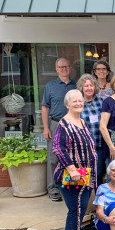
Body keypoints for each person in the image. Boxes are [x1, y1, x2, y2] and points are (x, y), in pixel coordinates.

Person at [52, 89, 97, 230]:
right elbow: (58, 147)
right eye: (74, 101)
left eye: (80, 100)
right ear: (67, 105)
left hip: (84, 174)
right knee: (75, 211)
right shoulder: (64, 124)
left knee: (79, 210)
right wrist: (72, 169)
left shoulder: (82, 121)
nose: (78, 103)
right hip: (72, 176)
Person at [41, 57, 76, 202]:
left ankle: (69, 185)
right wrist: (46, 127)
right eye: (61, 67)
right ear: (56, 69)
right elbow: (45, 107)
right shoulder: (50, 86)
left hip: (73, 124)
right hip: (55, 124)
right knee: (54, 157)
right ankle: (53, 187)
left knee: (72, 156)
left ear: (71, 69)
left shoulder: (76, 85)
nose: (64, 69)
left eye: (67, 66)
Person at [77, 74, 106, 187]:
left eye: (91, 85)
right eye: (86, 86)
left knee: (98, 173)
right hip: (83, 147)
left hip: (99, 145)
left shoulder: (102, 102)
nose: (89, 88)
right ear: (81, 88)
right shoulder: (78, 103)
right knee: (84, 173)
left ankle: (97, 200)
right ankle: (84, 199)